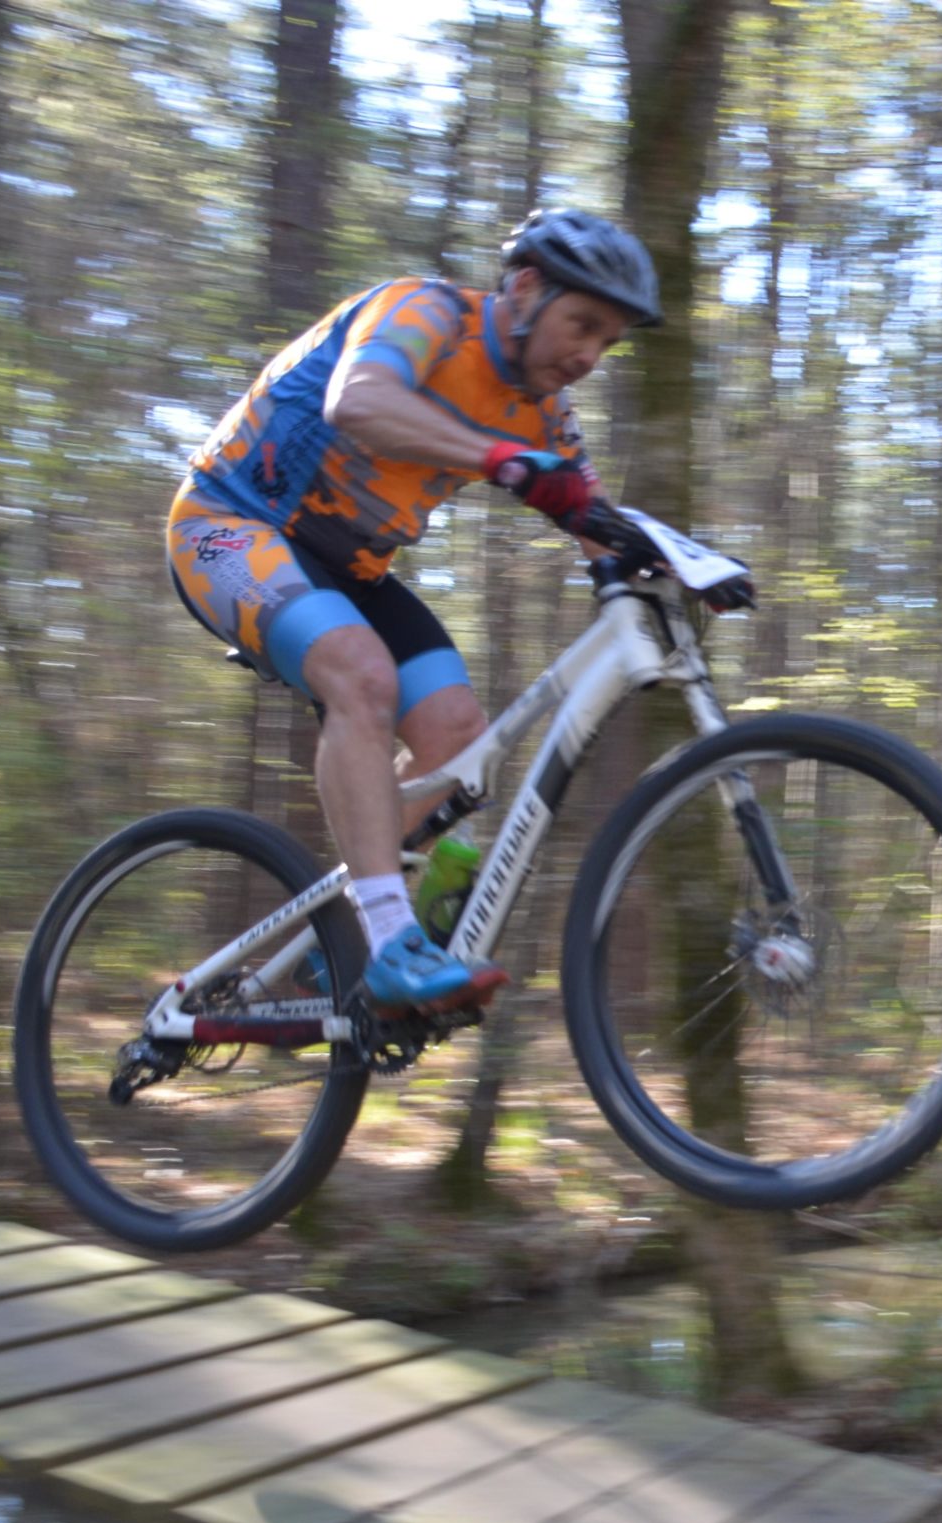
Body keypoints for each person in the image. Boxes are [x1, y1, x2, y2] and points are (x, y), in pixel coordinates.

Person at [167, 208, 658, 1012]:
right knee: (361, 678)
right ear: (526, 288)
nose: (589, 356)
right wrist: (500, 459)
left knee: (455, 733)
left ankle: (345, 943)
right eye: (583, 325)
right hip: (228, 527)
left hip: (347, 567)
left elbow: (596, 519)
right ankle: (390, 936)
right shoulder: (424, 312)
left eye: (609, 341)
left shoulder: (544, 411)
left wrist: (681, 568)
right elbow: (358, 401)